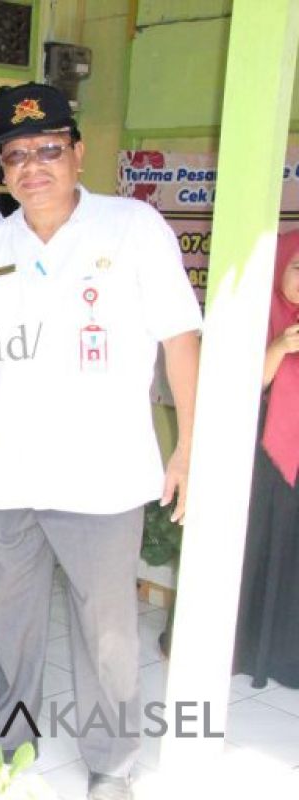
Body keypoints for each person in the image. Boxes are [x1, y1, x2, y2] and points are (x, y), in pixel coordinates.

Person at [0, 83, 202, 800]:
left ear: (78, 154)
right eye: (16, 155)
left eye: (49, 149)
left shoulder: (133, 228)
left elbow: (181, 341)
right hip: (9, 479)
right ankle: (10, 734)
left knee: (106, 633)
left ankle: (111, 762)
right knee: (10, 624)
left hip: (103, 479)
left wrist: (188, 446)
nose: (32, 166)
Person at [234, 230, 299, 689]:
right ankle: (242, 649)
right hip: (261, 457)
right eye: (298, 268)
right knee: (255, 547)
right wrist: (278, 347)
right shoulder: (256, 315)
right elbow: (236, 390)